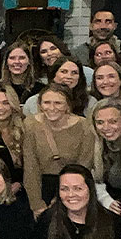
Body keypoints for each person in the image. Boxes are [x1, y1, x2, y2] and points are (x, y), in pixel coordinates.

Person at [23, 84, 97, 216]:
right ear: (40, 105)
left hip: (74, 186)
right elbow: (30, 167)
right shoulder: (30, 125)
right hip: (42, 186)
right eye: (47, 102)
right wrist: (36, 204)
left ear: (68, 105)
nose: (52, 108)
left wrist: (60, 200)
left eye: (58, 103)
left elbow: (84, 165)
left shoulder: (85, 126)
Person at [23, 57, 95, 118]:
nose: (69, 76)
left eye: (74, 73)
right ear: (54, 75)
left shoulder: (90, 102)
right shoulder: (33, 102)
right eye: (63, 72)